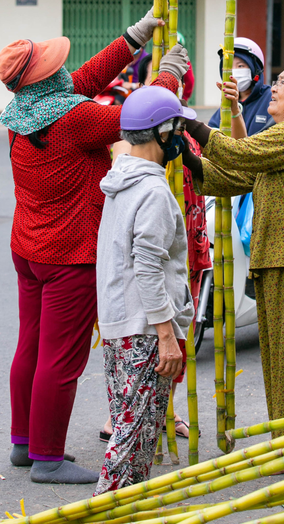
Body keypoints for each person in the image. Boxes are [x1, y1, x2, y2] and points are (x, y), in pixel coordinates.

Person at [0, 10, 188, 485]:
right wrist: (169, 76)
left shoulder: (23, 113)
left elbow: (79, 80)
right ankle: (47, 457)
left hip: (28, 248)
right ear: (44, 81)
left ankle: (24, 443)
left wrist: (133, 38)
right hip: (68, 256)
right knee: (61, 358)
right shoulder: (75, 120)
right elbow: (138, 119)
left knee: (31, 347)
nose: (64, 70)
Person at [182, 61, 284, 453]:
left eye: (283, 83)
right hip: (280, 257)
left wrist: (190, 123)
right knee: (279, 358)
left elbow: (237, 152)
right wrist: (185, 155)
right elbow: (231, 177)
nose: (273, 88)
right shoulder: (281, 136)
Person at [94, 87, 196, 493]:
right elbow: (148, 266)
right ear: (163, 133)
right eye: (178, 130)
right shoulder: (153, 192)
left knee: (126, 427)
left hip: (119, 324)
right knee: (131, 446)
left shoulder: (118, 180)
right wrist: (167, 337)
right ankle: (103, 511)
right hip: (146, 330)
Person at [209, 38, 273, 136]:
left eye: (240, 66)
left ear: (255, 69)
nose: (234, 72)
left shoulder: (271, 98)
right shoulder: (226, 104)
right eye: (229, 68)